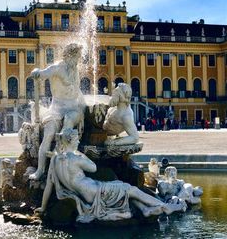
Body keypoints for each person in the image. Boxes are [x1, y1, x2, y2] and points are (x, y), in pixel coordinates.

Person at [35, 129, 186, 223]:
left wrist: (42, 207)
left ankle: (146, 209)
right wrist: (81, 154)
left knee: (126, 189)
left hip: (89, 192)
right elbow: (93, 168)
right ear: (70, 141)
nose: (78, 141)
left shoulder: (55, 160)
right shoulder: (76, 158)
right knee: (129, 189)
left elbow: (49, 185)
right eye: (76, 140)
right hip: (95, 192)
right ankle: (165, 206)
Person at [29, 43, 85, 180]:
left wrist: (85, 106)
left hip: (73, 109)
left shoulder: (75, 70)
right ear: (70, 55)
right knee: (48, 134)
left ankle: (58, 162)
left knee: (68, 121)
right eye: (77, 57)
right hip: (56, 109)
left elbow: (77, 91)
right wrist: (36, 71)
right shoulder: (57, 68)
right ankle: (40, 170)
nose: (78, 60)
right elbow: (42, 74)